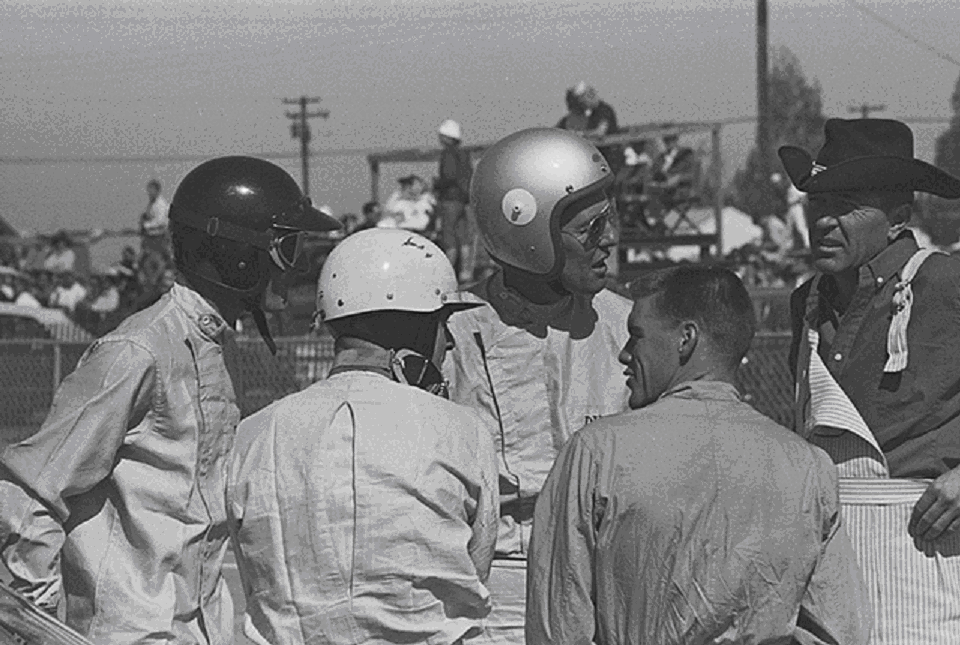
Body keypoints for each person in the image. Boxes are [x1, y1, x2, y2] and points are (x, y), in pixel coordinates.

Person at [0, 155, 340, 644]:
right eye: (288, 247)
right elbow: (30, 490)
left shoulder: (220, 346)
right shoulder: (138, 352)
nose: (301, 266)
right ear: (238, 257)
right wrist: (45, 628)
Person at [526, 265, 870, 645]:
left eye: (636, 336)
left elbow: (558, 623)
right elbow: (838, 630)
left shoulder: (595, 454)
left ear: (685, 339)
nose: (624, 354)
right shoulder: (809, 468)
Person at [227, 228, 499, 645]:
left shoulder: (253, 435)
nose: (448, 345)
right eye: (442, 325)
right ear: (418, 326)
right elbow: (476, 567)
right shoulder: (461, 431)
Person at [443, 128, 632, 644]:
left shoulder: (627, 330)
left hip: (604, 594)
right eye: (591, 229)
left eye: (611, 219)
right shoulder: (451, 335)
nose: (609, 240)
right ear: (528, 232)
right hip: (487, 601)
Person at [780, 118, 960, 644]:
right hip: (826, 560)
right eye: (818, 204)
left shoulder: (945, 285)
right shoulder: (807, 302)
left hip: (926, 560)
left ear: (899, 217)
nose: (825, 222)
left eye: (848, 204)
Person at [435, 118, 476, 282]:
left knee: (449, 236)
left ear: (446, 136)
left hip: (450, 200)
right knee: (463, 235)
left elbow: (449, 176)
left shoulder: (448, 154)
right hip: (463, 200)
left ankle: (447, 274)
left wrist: (438, 184)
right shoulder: (465, 154)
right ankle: (466, 272)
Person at [140, 178, 171, 259]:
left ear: (157, 190)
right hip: (150, 237)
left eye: (151, 190)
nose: (149, 193)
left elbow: (160, 222)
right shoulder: (152, 203)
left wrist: (146, 226)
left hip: (158, 238)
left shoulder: (160, 204)